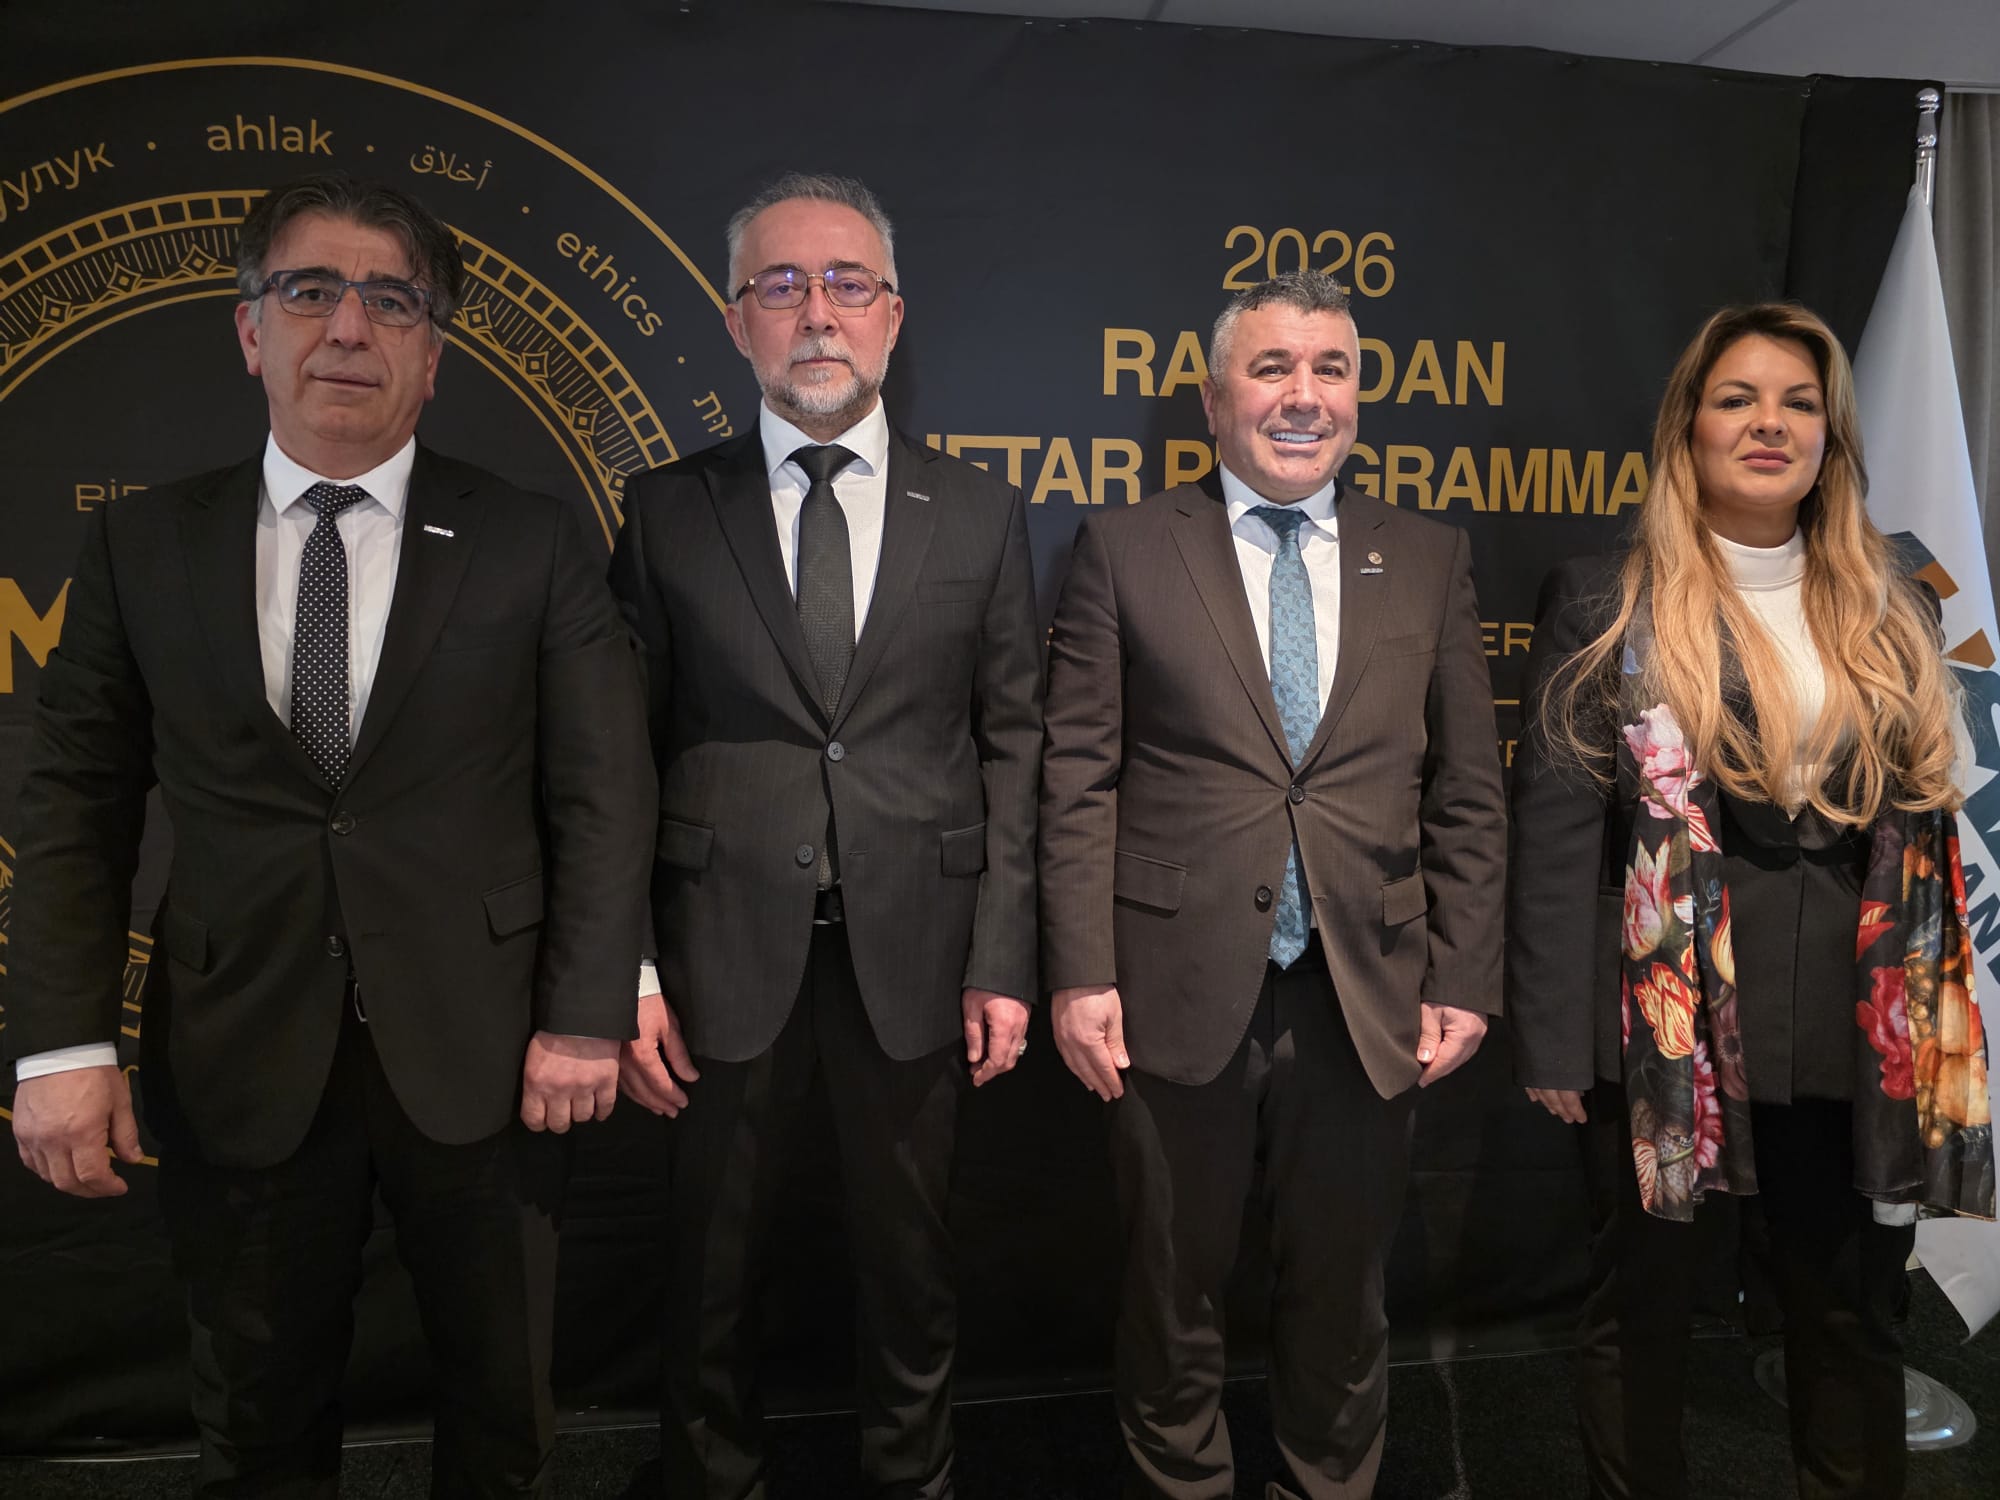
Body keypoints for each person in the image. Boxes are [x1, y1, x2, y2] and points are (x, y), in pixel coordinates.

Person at [5, 172, 655, 1496]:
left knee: (502, 1406)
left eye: (392, 301)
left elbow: (603, 790)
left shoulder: (530, 542)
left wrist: (588, 1014)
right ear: (252, 330)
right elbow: (74, 798)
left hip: (489, 1057)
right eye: (311, 291)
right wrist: (63, 1044)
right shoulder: (142, 544)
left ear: (434, 352)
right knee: (256, 1416)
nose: (349, 327)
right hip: (238, 1049)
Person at [1507, 301, 1994, 1500]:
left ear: (1829, 436)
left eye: (1796, 403)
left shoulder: (1894, 595)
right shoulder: (1602, 599)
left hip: (1845, 1015)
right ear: (1688, 426)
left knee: (1843, 1313)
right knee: (1643, 1313)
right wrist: (1556, 1039)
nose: (1767, 424)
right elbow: (1557, 836)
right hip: (1658, 1022)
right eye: (1736, 399)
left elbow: (1917, 822)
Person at [1038, 269, 1508, 1499]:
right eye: (1272, 368)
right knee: (1169, 1299)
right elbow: (1076, 780)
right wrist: (1079, 974)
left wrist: (1463, 972)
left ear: (1356, 396)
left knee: (1343, 1304)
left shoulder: (1429, 556)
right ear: (1212, 400)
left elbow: (1466, 787)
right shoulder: (1123, 548)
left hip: (1366, 996)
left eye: (1330, 370)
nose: (1304, 395)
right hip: (1168, 993)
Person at [607, 172, 1042, 1500]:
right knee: (709, 1279)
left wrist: (1005, 957)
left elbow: (1017, 746)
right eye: (781, 285)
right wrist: (629, 970)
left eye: (847, 283)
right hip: (715, 962)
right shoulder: (664, 511)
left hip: (921, 959)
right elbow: (614, 764)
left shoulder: (981, 513)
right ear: (735, 320)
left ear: (893, 315)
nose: (816, 313)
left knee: (912, 1276)